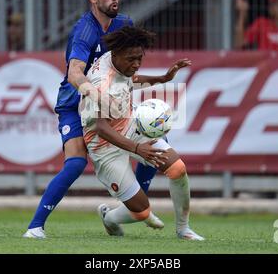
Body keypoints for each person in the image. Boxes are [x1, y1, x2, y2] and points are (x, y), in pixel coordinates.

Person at [23, 0, 186, 239]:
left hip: (111, 103)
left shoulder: (123, 24)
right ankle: (35, 227)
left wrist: (160, 79)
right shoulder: (84, 30)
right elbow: (75, 74)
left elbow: (126, 73)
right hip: (76, 105)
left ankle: (135, 203)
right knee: (75, 164)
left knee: (157, 138)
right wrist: (97, 96)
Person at [81, 26, 204, 240]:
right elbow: (101, 127)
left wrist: (163, 78)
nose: (136, 64)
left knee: (177, 168)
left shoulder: (118, 58)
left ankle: (183, 229)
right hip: (104, 144)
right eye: (132, 59)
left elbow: (131, 79)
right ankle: (109, 218)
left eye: (139, 58)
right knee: (141, 212)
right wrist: (138, 149)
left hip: (129, 126)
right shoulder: (102, 83)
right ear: (117, 55)